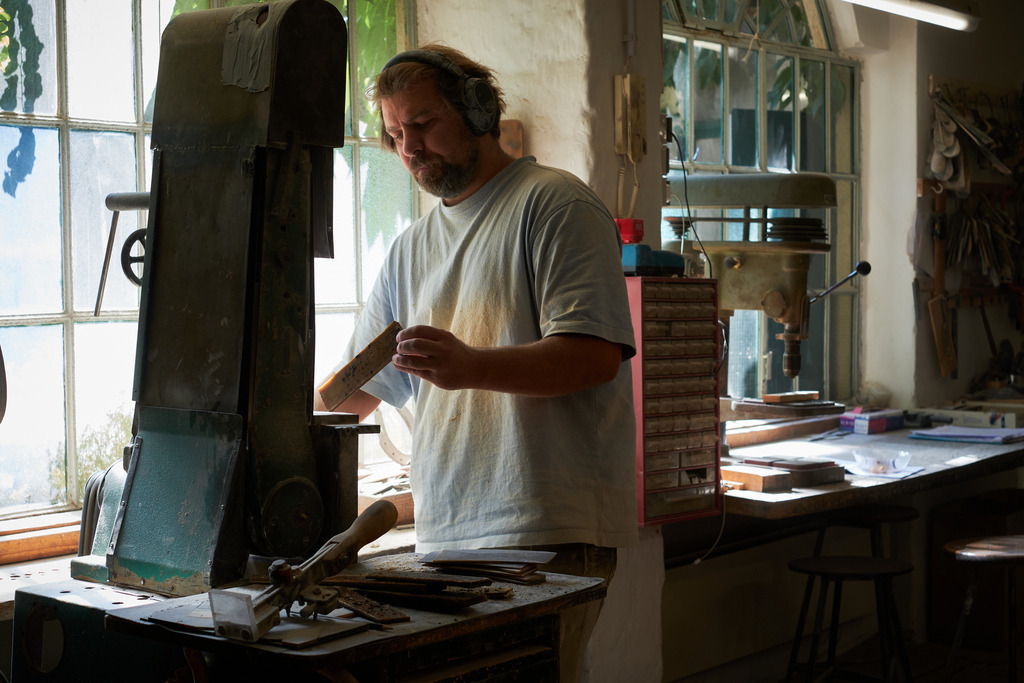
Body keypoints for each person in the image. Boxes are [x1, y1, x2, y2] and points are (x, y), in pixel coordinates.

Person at [315, 43, 637, 679]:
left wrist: (470, 367)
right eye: (394, 133)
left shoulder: (554, 205)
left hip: (547, 530)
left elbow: (594, 356)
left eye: (424, 125)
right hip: (447, 534)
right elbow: (355, 392)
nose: (408, 148)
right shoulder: (411, 249)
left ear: (479, 112)